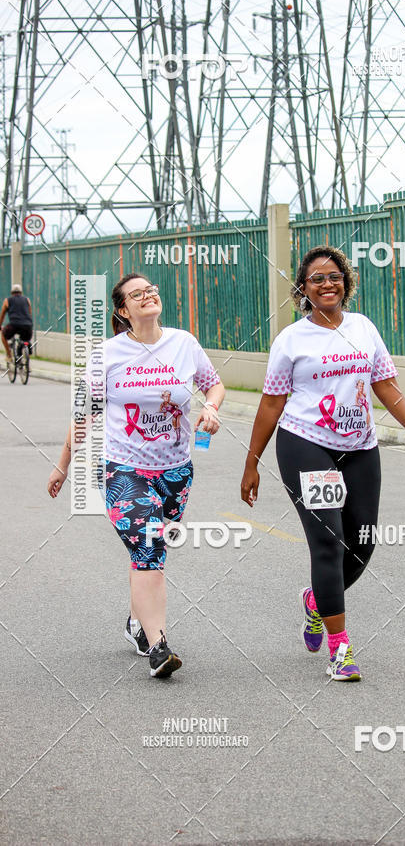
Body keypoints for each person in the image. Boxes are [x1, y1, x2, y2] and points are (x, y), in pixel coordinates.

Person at [241, 246, 405, 682]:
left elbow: (385, 384)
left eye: (335, 277)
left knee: (362, 545)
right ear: (303, 290)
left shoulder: (363, 328)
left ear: (345, 282)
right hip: (306, 443)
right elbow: (272, 404)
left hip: (359, 446)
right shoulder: (291, 339)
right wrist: (251, 463)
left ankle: (317, 601)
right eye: (316, 279)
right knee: (328, 541)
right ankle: (340, 649)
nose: (327, 284)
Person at [47, 272, 225, 679]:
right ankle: (159, 647)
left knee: (151, 550)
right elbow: (85, 416)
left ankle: (136, 622)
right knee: (150, 545)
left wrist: (211, 409)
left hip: (177, 468)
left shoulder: (184, 343)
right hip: (121, 467)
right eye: (137, 294)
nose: (147, 296)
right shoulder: (106, 355)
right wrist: (63, 464)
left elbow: (213, 385)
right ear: (123, 310)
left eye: (151, 290)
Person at [1, 283, 33, 364]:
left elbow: (2, 315)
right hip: (27, 325)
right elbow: (30, 313)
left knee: (3, 335)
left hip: (14, 325)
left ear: (12, 293)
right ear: (21, 292)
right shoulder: (27, 300)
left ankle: (9, 355)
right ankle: (26, 360)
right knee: (25, 340)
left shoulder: (7, 300)